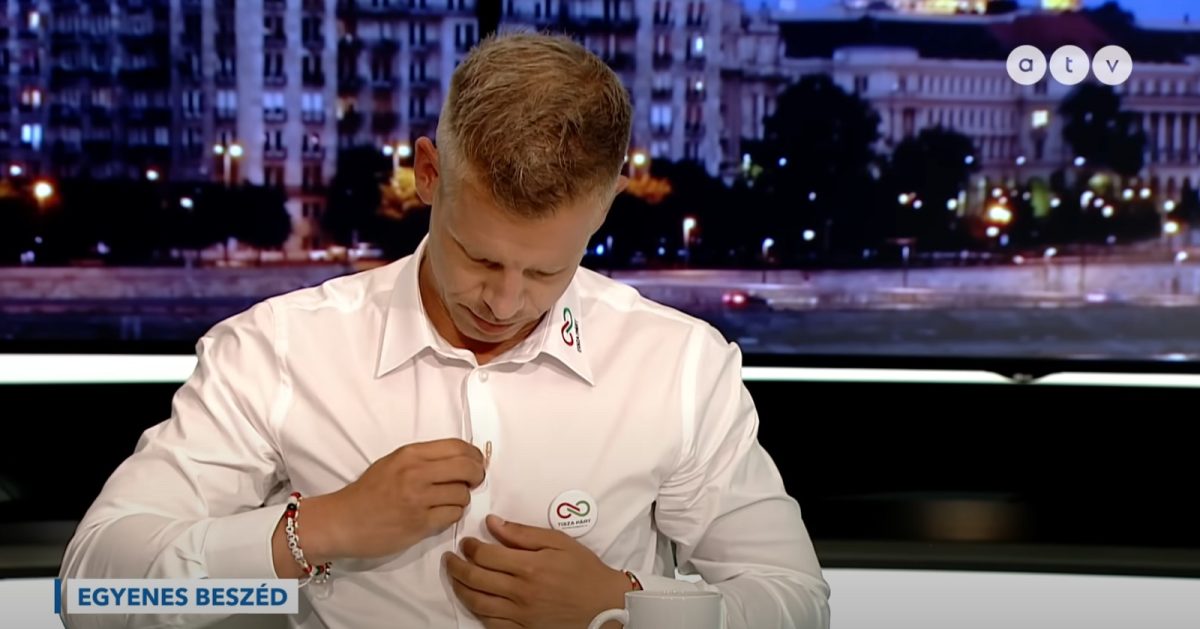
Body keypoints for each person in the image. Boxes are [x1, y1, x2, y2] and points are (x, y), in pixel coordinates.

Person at [59, 32, 831, 629]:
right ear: (428, 174)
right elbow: (93, 593)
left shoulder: (682, 367)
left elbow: (796, 601)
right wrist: (315, 530)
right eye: (478, 256)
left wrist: (622, 606)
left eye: (546, 270)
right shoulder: (276, 352)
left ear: (606, 206)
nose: (504, 301)